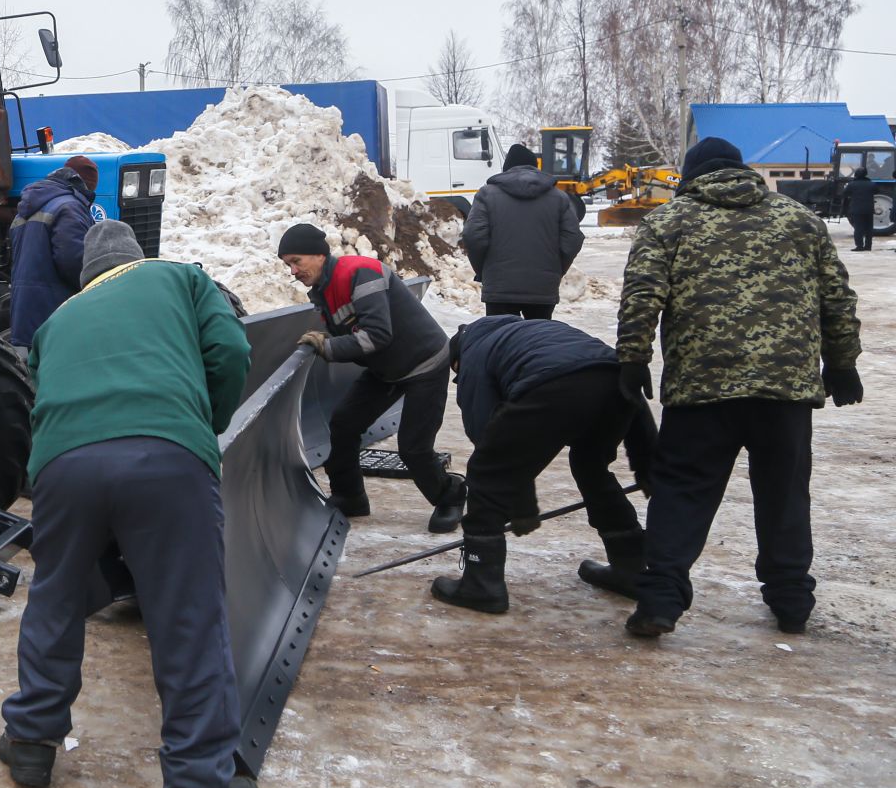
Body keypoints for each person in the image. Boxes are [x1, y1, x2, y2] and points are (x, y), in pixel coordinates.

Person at [0, 220, 259, 788]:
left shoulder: (57, 321)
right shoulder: (181, 278)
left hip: (61, 469)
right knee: (187, 616)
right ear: (137, 260)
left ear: (87, 276)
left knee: (56, 600)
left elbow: (45, 393)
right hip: (165, 458)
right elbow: (233, 352)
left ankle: (32, 743)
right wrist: (201, 426)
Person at [618, 136, 864, 638]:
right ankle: (791, 599)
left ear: (690, 175)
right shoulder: (800, 220)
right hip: (786, 389)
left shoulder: (668, 221)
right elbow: (836, 297)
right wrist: (842, 364)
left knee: (683, 490)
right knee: (784, 493)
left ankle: (661, 599)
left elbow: (642, 292)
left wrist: (632, 356)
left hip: (701, 388)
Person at [430, 315, 654, 615]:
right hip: (615, 379)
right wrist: (648, 465)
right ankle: (630, 568)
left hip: (554, 382)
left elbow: (488, 439)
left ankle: (481, 584)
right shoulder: (533, 332)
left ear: (456, 359)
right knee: (591, 464)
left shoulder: (474, 354)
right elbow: (631, 396)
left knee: (485, 473)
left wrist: (521, 504)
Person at [279, 223, 467, 532]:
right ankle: (350, 497)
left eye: (296, 261)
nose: (292, 270)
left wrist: (328, 347)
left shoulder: (360, 273)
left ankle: (450, 496)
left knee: (413, 447)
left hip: (424, 364)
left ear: (319, 254)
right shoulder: (323, 290)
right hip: (386, 369)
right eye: (288, 264)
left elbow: (378, 335)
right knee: (343, 423)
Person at [462, 142, 584, 319]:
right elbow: (573, 239)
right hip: (542, 289)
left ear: (507, 169)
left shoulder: (486, 195)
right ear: (535, 168)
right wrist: (556, 270)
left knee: (502, 341)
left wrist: (484, 270)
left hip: (500, 288)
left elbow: (472, 236)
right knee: (536, 343)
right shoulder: (559, 198)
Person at [6, 155, 99, 347]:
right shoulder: (70, 207)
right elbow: (74, 261)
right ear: (86, 184)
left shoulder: (28, 207)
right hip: (55, 312)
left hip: (24, 310)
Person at [842, 166, 877, 251]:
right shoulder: (871, 183)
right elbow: (877, 191)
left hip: (857, 209)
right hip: (869, 209)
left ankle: (859, 246)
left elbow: (844, 194)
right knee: (869, 228)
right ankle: (868, 246)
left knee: (858, 228)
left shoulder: (852, 184)